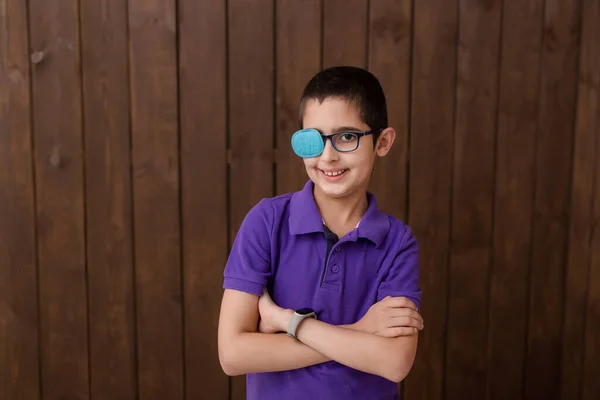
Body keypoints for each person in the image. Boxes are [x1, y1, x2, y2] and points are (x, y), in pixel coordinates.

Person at [217, 66, 423, 399]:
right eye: (312, 139)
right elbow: (232, 354)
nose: (327, 156)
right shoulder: (267, 222)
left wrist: (287, 323)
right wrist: (359, 332)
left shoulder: (398, 242)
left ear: (382, 142)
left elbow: (395, 362)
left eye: (346, 137)